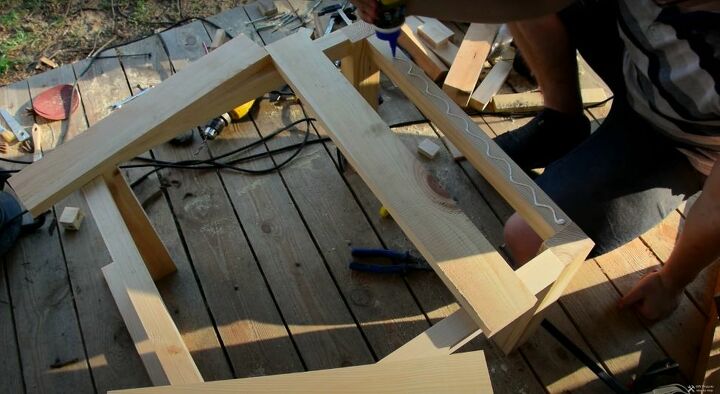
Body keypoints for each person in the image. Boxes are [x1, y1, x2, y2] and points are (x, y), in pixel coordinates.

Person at [351, 0, 720, 321]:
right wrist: (406, 2)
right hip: (637, 60)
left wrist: (672, 282)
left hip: (679, 144)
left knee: (528, 238)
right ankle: (561, 122)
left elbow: (717, 209)